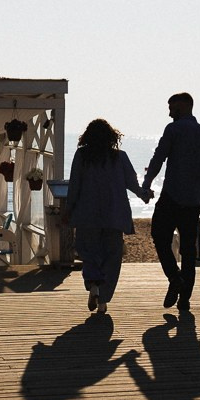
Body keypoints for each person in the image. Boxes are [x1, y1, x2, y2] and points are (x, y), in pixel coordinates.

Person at [62, 118, 151, 314]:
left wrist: (68, 211)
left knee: (89, 253)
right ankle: (103, 301)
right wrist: (144, 195)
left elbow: (74, 186)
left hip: (87, 215)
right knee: (112, 258)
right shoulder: (120, 157)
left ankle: (93, 284)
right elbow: (132, 183)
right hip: (114, 215)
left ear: (87, 137)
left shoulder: (82, 156)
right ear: (112, 137)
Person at [141, 92, 200, 313]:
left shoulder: (173, 129)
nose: (169, 113)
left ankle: (174, 279)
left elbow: (159, 158)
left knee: (159, 236)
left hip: (171, 196)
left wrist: (147, 182)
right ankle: (184, 298)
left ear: (181, 107)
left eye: (171, 108)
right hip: (194, 200)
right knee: (188, 251)